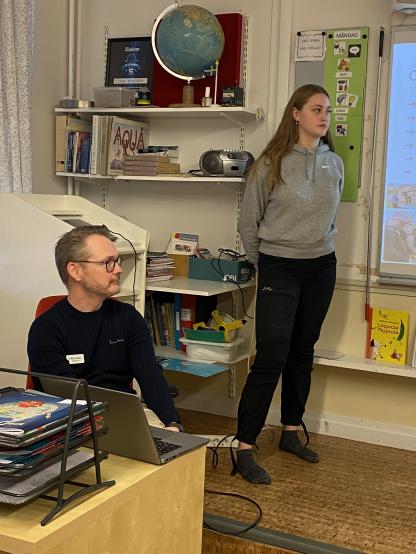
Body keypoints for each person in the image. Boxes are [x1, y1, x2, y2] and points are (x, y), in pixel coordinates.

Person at [234, 84, 344, 484]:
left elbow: (331, 219)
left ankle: (291, 432)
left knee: (302, 352)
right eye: (317, 109)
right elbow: (249, 221)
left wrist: (322, 247)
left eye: (328, 111)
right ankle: (244, 446)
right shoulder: (270, 163)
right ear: (295, 113)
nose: (324, 117)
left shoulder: (334, 163)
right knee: (271, 356)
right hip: (279, 267)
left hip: (321, 267)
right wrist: (263, 263)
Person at [27, 225, 182, 432]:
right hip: (71, 424)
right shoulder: (46, 329)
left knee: (174, 451)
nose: (118, 269)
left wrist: (171, 423)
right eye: (107, 263)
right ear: (75, 270)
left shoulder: (129, 318)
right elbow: (71, 396)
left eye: (116, 261)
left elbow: (150, 377)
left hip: (125, 415)